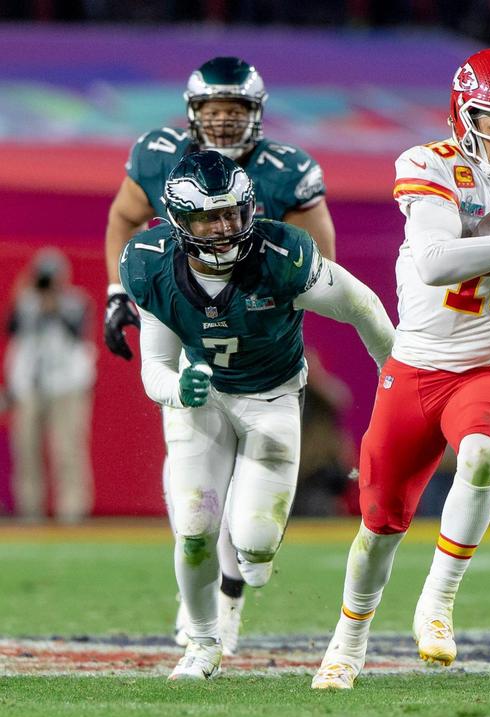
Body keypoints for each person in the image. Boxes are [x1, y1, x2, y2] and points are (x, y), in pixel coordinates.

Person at [311, 48, 490, 690]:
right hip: (417, 366)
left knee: (482, 458)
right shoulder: (428, 165)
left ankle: (437, 601)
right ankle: (347, 644)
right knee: (378, 527)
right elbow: (438, 262)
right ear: (464, 115)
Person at [119, 150, 394, 680]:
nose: (223, 229)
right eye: (207, 217)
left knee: (255, 545)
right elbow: (153, 366)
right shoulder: (149, 261)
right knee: (196, 527)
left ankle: (250, 563)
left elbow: (363, 307)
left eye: (231, 214)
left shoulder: (280, 254)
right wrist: (180, 388)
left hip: (271, 397)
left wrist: (396, 378)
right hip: (203, 401)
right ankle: (202, 643)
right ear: (179, 220)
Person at [102, 56, 335, 655]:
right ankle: (206, 586)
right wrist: (118, 293)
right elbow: (126, 215)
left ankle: (230, 585)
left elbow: (323, 265)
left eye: (236, 109)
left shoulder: (287, 172)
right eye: (213, 109)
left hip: (253, 323)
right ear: (192, 112)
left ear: (256, 113)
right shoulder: (156, 154)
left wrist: (279, 309)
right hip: (180, 310)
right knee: (195, 471)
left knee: (248, 491)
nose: (225, 121)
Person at [3, 249, 95, 523]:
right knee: (27, 450)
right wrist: (24, 296)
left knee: (67, 450)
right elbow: (12, 329)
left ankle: (73, 512)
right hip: (29, 386)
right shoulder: (25, 302)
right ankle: (29, 512)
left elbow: (79, 332)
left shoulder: (75, 301)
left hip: (67, 386)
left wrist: (55, 306)